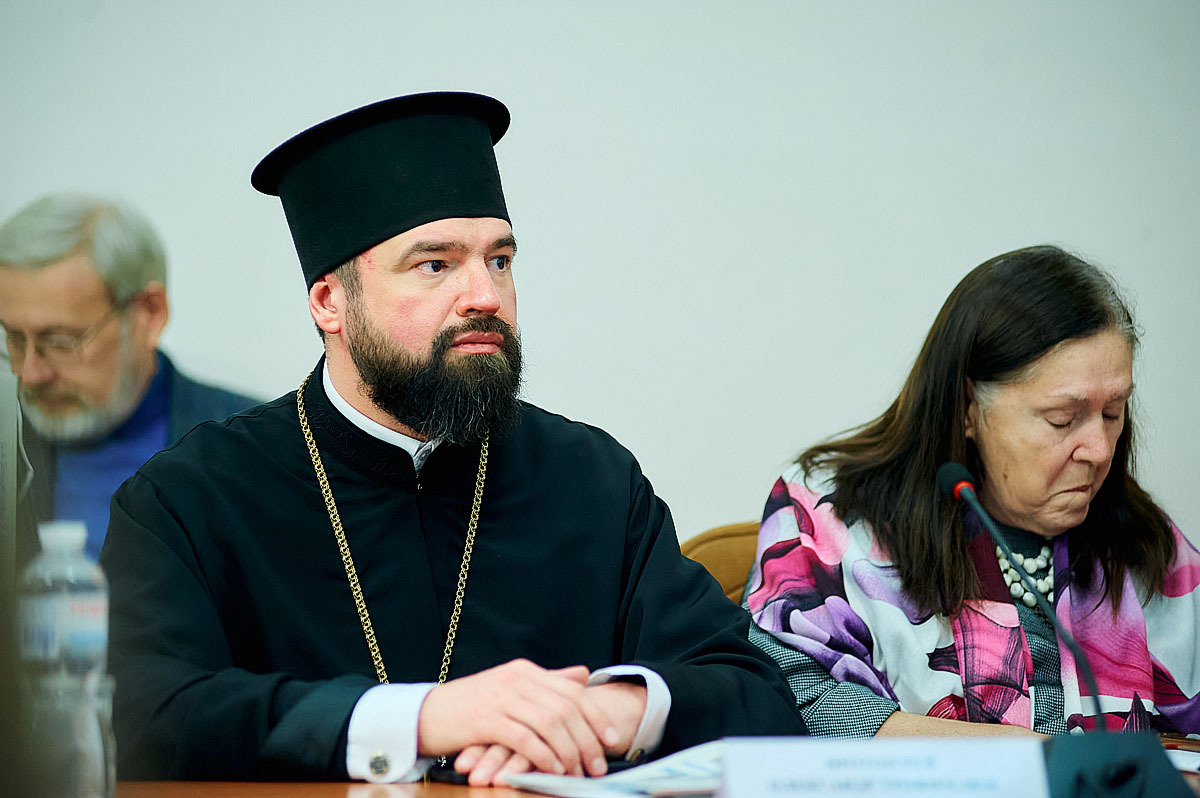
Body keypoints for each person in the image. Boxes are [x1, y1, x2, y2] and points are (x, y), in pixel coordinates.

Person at [101, 92, 803, 786]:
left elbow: (758, 698)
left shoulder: (593, 480)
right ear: (329, 302)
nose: (486, 297)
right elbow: (142, 718)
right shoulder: (190, 496)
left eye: (499, 260)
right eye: (435, 265)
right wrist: (421, 719)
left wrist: (608, 712)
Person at [745, 245, 1200, 738]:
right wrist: (1022, 756)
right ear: (967, 407)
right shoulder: (830, 519)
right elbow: (792, 700)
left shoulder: (1145, 541)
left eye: (1112, 413)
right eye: (1062, 419)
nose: (1099, 449)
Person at [0, 195, 258, 562]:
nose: (28, 373)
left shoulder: (255, 446)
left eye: (60, 341)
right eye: (12, 338)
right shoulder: (8, 438)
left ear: (149, 313)